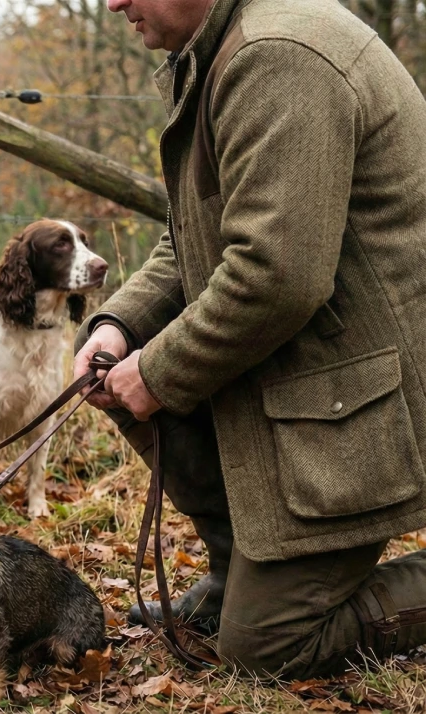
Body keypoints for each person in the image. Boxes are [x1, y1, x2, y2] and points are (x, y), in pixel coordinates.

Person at [76, 0, 426, 678]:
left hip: (369, 393)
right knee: (123, 372)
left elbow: (277, 276)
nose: (113, 2)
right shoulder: (219, 50)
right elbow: (195, 237)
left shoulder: (277, 57)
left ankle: (260, 599)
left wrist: (158, 371)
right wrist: (119, 325)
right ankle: (237, 564)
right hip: (314, 368)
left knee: (268, 646)